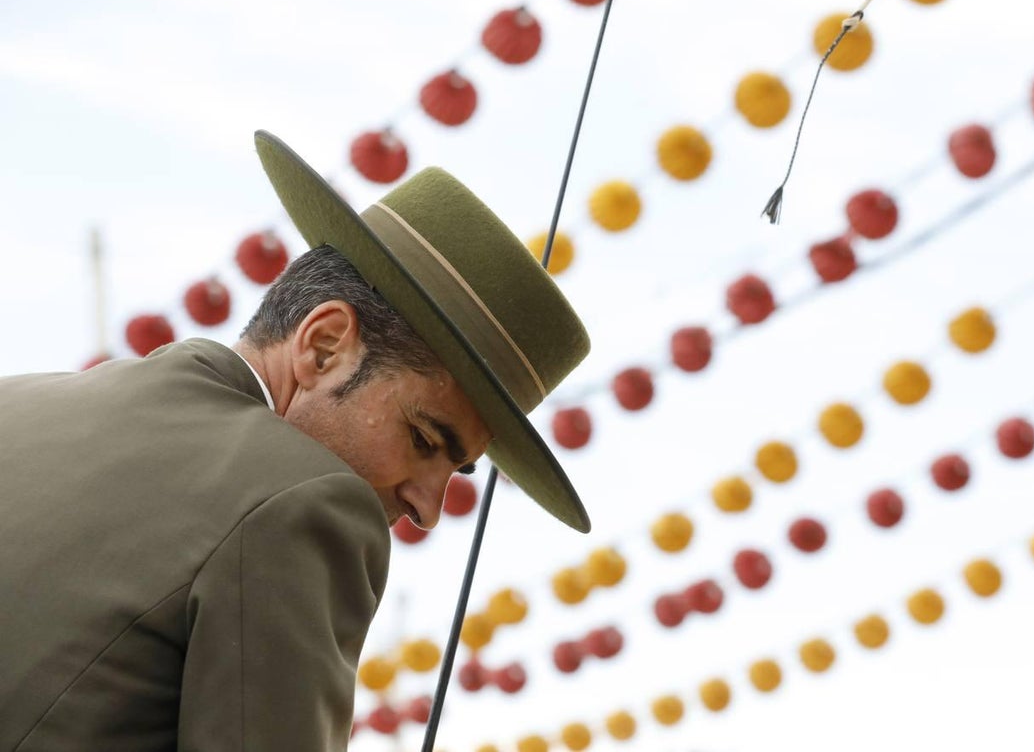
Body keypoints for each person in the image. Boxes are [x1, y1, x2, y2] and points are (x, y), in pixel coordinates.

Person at [0, 130, 591, 751]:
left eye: (457, 469)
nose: (428, 507)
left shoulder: (17, 400)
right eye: (423, 438)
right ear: (324, 345)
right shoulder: (306, 503)